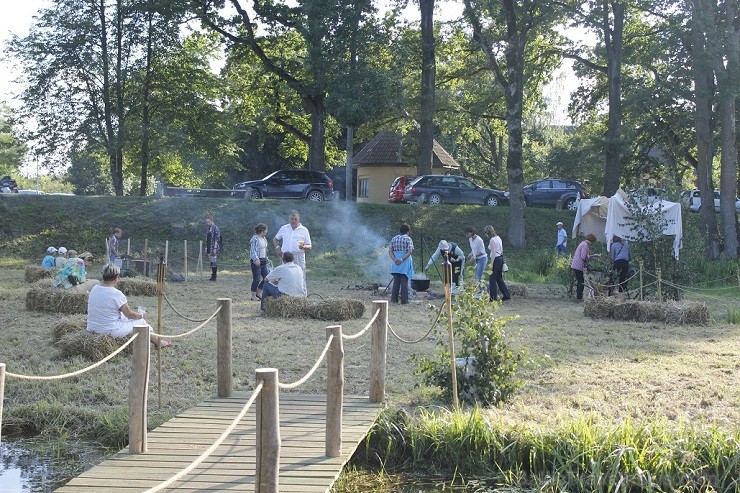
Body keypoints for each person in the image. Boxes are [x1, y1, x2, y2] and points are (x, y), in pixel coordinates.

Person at [87, 262, 171, 347]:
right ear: (116, 277)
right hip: (109, 330)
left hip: (92, 327)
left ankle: (155, 340)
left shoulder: (95, 288)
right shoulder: (116, 294)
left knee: (126, 318)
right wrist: (141, 315)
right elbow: (130, 315)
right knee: (141, 322)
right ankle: (158, 342)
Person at [273, 210, 312, 275]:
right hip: (285, 257)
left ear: (299, 219)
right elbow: (275, 239)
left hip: (298, 256)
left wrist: (304, 247)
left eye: (295, 219)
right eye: (292, 219)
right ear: (289, 219)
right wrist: (278, 248)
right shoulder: (284, 228)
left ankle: (301, 285)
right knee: (285, 275)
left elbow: (309, 246)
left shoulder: (304, 230)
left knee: (300, 275)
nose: (293, 221)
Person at [388, 222, 414, 304]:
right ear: (408, 231)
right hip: (404, 262)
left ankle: (394, 299)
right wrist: (402, 259)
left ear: (400, 231)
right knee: (404, 281)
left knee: (396, 281)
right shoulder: (408, 239)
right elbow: (410, 251)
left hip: (396, 262)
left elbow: (390, 251)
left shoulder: (394, 238)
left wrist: (394, 259)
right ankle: (404, 300)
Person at [484, 225, 511, 302]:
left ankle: (493, 297)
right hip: (500, 258)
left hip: (495, 259)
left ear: (487, 233)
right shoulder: (498, 238)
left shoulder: (492, 240)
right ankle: (506, 294)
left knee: (492, 279)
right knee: (499, 278)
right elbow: (501, 250)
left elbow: (493, 253)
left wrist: (491, 264)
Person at [571, 233, 599, 301]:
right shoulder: (585, 245)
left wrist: (592, 257)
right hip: (578, 265)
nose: (592, 244)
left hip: (576, 264)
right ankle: (579, 297)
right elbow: (583, 257)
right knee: (581, 282)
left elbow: (585, 256)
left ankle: (579, 297)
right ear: (591, 240)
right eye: (593, 242)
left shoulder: (582, 243)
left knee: (580, 281)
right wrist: (593, 256)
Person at [249, 223, 270, 301]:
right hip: (257, 261)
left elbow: (264, 250)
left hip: (263, 260)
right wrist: (255, 259)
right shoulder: (254, 238)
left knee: (267, 277)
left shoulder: (264, 238)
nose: (267, 231)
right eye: (266, 230)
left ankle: (259, 292)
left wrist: (266, 258)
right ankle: (253, 295)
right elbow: (253, 250)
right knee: (256, 279)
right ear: (262, 230)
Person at [465, 226, 488, 294]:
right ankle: (481, 291)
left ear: (472, 232)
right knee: (477, 276)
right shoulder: (470, 239)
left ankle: (484, 291)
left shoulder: (479, 240)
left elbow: (482, 251)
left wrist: (474, 256)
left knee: (478, 276)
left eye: (467, 233)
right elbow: (474, 249)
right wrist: (470, 254)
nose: (466, 235)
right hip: (477, 259)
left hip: (482, 259)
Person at [205, 215, 221, 281]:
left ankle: (214, 277)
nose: (207, 223)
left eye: (208, 222)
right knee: (211, 261)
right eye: (207, 222)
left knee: (214, 261)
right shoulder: (208, 228)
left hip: (213, 247)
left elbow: (217, 239)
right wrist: (206, 247)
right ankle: (212, 275)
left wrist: (214, 248)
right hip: (209, 246)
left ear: (212, 221)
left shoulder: (216, 228)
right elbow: (207, 239)